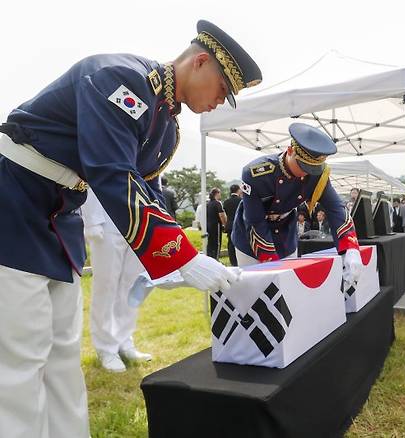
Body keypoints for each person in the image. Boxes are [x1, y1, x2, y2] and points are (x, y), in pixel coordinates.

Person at [0, 19, 259, 437]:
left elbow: (148, 192)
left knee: (62, 352)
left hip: (60, 212)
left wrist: (177, 263)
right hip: (15, 201)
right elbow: (113, 173)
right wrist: (184, 256)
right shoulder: (120, 77)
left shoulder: (167, 125)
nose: (219, 102)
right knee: (20, 355)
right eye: (222, 90)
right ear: (199, 62)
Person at [231, 123, 364, 284]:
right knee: (256, 288)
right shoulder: (256, 173)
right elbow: (255, 221)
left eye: (312, 169)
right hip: (251, 239)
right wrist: (270, 261)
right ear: (290, 151)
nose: (307, 173)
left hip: (286, 235)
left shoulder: (316, 175)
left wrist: (351, 247)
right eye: (303, 166)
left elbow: (335, 207)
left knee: (289, 288)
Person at [81, 189, 151, 373]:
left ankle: (124, 341)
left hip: (137, 219)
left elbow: (151, 179)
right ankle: (106, 347)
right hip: (107, 219)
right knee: (106, 286)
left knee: (131, 285)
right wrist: (92, 220)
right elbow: (92, 174)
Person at [223, 184, 243, 266]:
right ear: (238, 190)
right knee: (240, 243)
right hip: (239, 225)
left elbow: (226, 214)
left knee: (230, 245)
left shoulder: (226, 202)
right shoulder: (241, 200)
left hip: (230, 225)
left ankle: (233, 262)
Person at [207, 188, 227, 259]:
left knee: (210, 243)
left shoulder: (208, 204)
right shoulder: (218, 203)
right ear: (217, 194)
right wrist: (225, 224)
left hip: (208, 225)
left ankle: (209, 258)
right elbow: (221, 215)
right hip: (216, 225)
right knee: (217, 243)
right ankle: (216, 258)